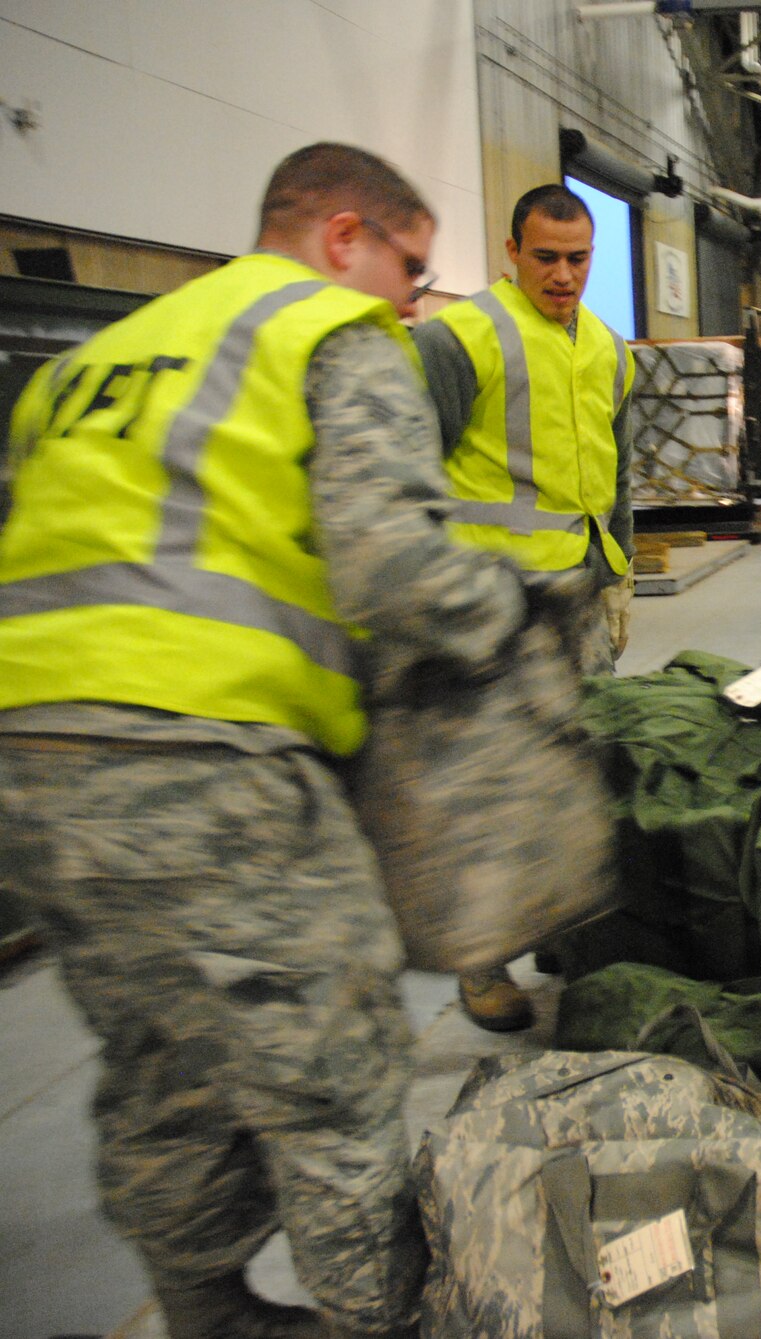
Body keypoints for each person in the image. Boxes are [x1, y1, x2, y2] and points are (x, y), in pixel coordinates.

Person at [0, 144, 528, 1339]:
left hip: (32, 768)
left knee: (164, 1058)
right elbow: (391, 564)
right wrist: (502, 605)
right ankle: (376, 1318)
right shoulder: (328, 332)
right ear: (343, 236)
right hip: (205, 763)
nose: (412, 296)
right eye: (407, 263)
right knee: (333, 1073)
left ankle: (205, 1311)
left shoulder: (92, 362)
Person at [413, 183, 636, 1031]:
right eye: (545, 256)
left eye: (578, 258)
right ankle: (481, 962)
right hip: (491, 601)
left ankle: (561, 931)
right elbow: (410, 474)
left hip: (578, 594)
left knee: (581, 764)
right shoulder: (457, 338)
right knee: (486, 779)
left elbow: (620, 468)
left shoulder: (611, 350)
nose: (563, 274)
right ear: (512, 251)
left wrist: (619, 575)